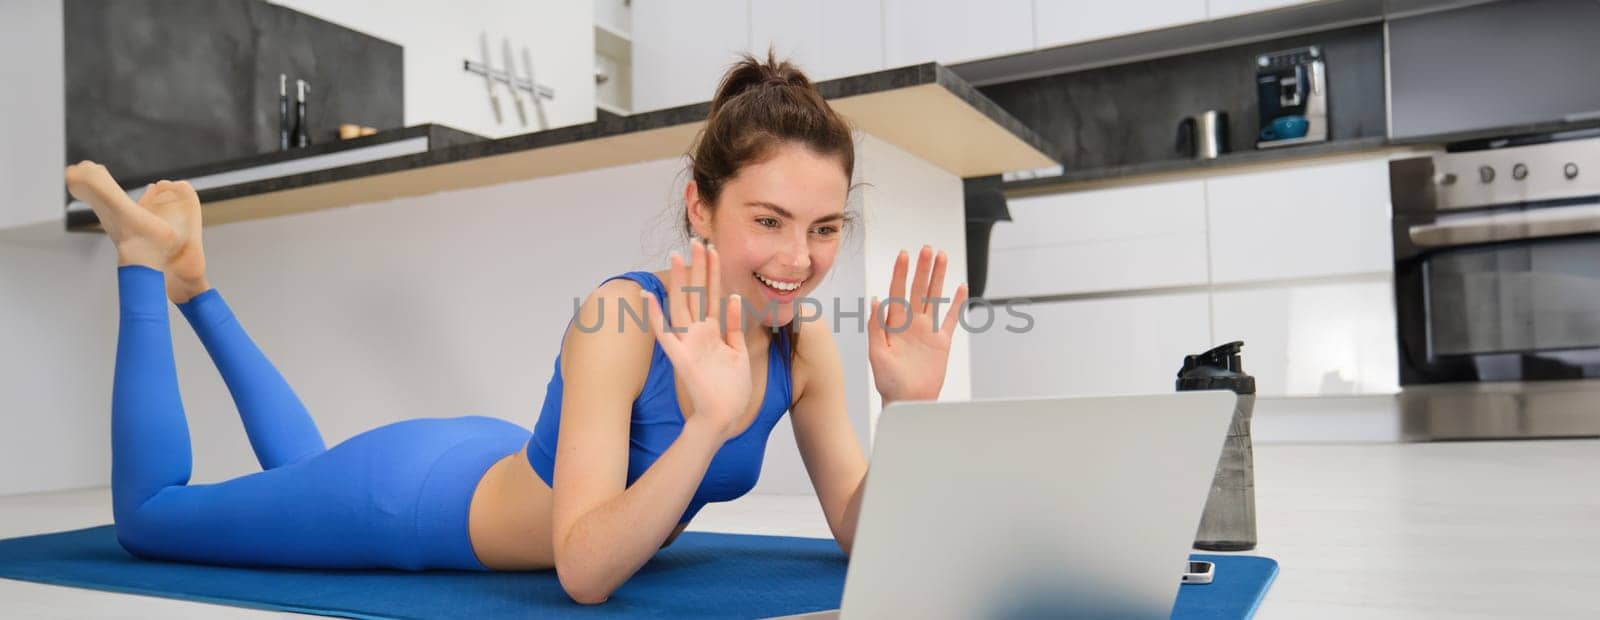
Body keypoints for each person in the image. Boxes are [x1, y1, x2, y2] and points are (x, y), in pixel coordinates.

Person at [71, 50, 965, 605]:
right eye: (767, 220)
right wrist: (705, 426)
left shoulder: (802, 348)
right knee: (155, 521)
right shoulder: (619, 318)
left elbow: (859, 528)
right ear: (700, 206)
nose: (799, 258)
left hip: (498, 457)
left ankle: (198, 285)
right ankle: (150, 268)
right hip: (416, 504)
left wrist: (913, 416)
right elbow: (582, 573)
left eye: (824, 228)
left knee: (301, 477)